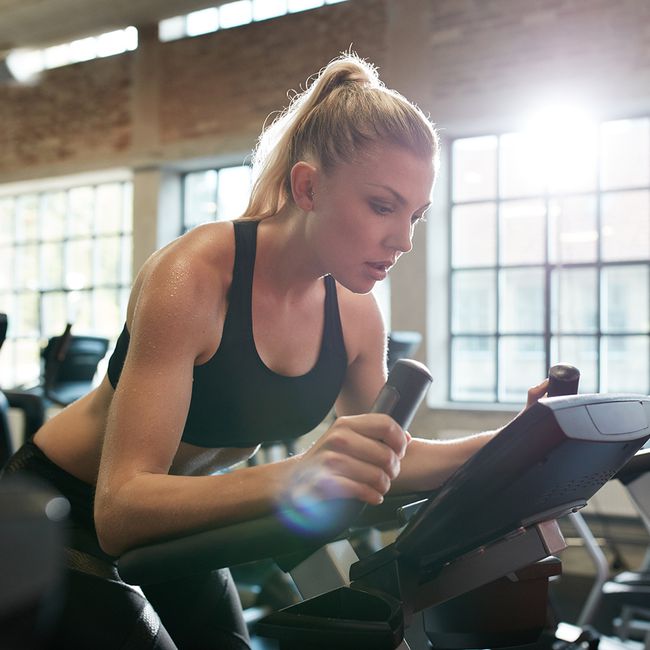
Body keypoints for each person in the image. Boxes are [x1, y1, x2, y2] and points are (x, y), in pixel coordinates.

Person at [0, 52, 548, 649]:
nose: (404, 239)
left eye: (415, 215)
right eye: (383, 206)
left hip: (183, 519)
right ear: (307, 186)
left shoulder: (356, 313)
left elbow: (389, 459)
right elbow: (121, 506)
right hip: (64, 515)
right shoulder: (196, 277)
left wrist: (520, 439)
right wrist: (304, 473)